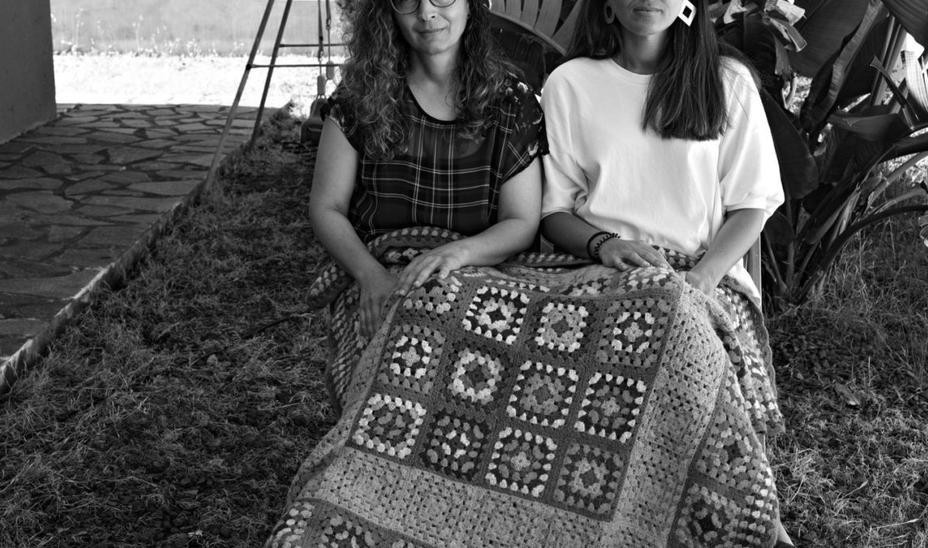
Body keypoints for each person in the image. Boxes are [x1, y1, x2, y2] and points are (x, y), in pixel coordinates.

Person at [538, 0, 792, 545]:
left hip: (704, 273)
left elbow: (755, 204)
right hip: (594, 267)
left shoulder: (727, 82)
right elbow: (554, 212)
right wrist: (604, 244)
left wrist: (700, 280)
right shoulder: (570, 83)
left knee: (674, 324)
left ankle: (734, 518)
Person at [308, 0, 546, 344]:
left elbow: (521, 221)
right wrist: (371, 276)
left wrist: (456, 254)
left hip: (479, 272)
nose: (426, 12)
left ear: (472, 5)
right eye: (408, 0)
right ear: (387, 12)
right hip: (379, 272)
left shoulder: (511, 103)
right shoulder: (359, 99)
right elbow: (326, 207)